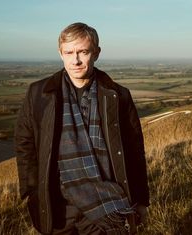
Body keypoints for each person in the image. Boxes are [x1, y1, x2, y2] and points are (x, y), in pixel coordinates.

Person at [15, 22, 149, 235]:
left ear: (96, 53)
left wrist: (141, 199)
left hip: (106, 202)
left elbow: (134, 150)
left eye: (83, 52)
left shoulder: (118, 96)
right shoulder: (39, 94)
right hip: (57, 205)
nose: (75, 60)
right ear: (60, 54)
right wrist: (32, 192)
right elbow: (25, 146)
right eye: (69, 52)